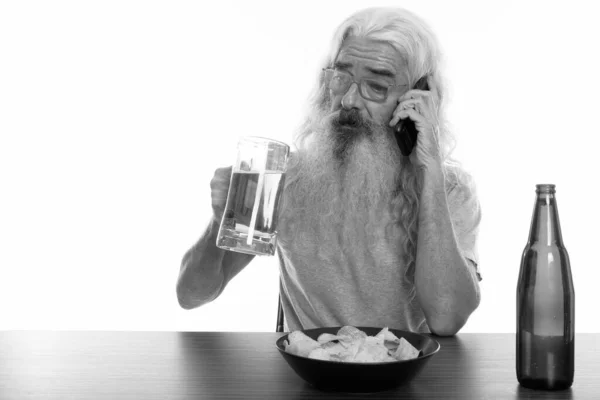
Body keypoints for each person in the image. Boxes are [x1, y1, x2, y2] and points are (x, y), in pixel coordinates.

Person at [177, 7, 482, 336]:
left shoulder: (448, 190)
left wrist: (429, 170)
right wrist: (219, 222)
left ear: (416, 100)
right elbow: (192, 295)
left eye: (377, 86)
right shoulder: (278, 177)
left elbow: (447, 318)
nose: (349, 101)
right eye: (341, 78)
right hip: (311, 375)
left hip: (408, 379)